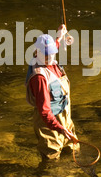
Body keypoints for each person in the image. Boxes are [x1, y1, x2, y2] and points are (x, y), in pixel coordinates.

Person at [25, 24, 78, 160]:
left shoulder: (50, 57)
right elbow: (44, 111)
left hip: (65, 119)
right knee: (52, 163)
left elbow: (53, 46)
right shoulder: (40, 77)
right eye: (46, 55)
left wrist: (59, 36)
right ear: (37, 52)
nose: (49, 58)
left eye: (52, 53)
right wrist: (59, 128)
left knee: (73, 151)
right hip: (49, 125)